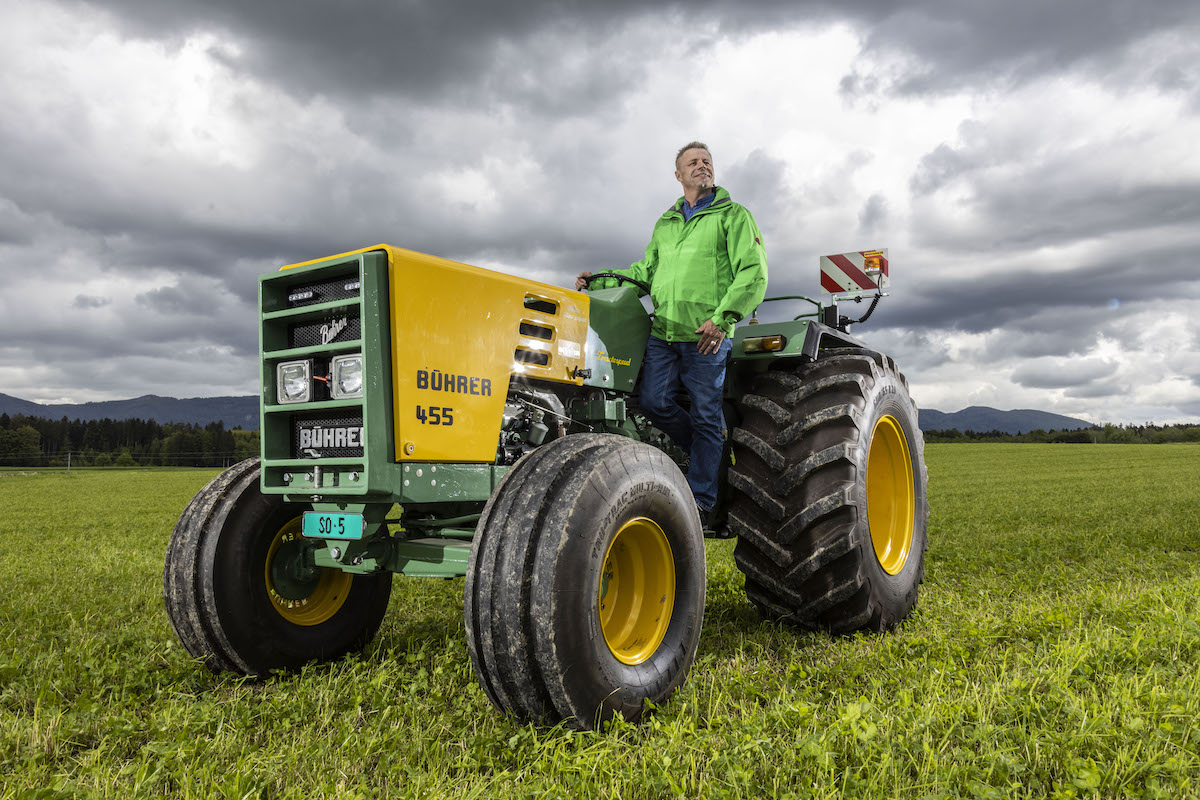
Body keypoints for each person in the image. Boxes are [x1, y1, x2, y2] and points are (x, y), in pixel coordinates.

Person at [576, 141, 767, 524]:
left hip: (706, 334)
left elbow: (753, 271)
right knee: (653, 402)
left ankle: (701, 503)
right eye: (693, 162)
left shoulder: (733, 216)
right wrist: (599, 281)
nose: (702, 166)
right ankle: (709, 456)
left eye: (707, 161)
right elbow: (646, 271)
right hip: (664, 332)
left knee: (706, 413)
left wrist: (722, 319)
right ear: (679, 175)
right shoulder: (667, 223)